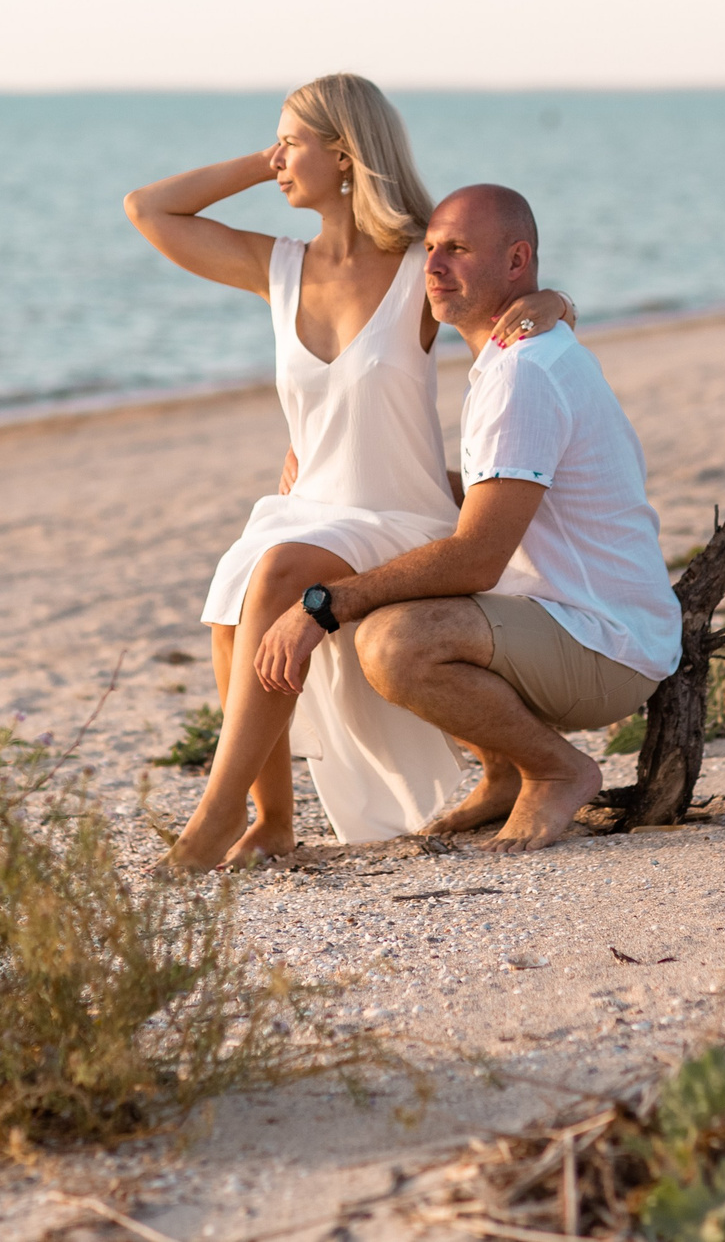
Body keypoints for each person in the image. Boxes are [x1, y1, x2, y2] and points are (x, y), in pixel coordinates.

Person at [123, 77, 574, 868]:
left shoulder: (417, 270)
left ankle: (211, 823)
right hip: (312, 507)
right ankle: (271, 820)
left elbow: (521, 299)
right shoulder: (280, 267)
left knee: (274, 570)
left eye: (290, 140)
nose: (277, 156)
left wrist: (554, 305)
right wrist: (269, 163)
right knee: (237, 585)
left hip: (403, 516)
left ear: (343, 153)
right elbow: (148, 209)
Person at [244, 183, 679, 852]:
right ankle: (503, 773)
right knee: (383, 591)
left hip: (603, 640)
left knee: (394, 642)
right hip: (579, 617)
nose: (435, 266)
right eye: (431, 249)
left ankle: (557, 769)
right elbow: (488, 493)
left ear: (517, 261)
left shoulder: (523, 373)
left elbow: (477, 555)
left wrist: (322, 604)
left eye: (458, 250)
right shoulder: (520, 356)